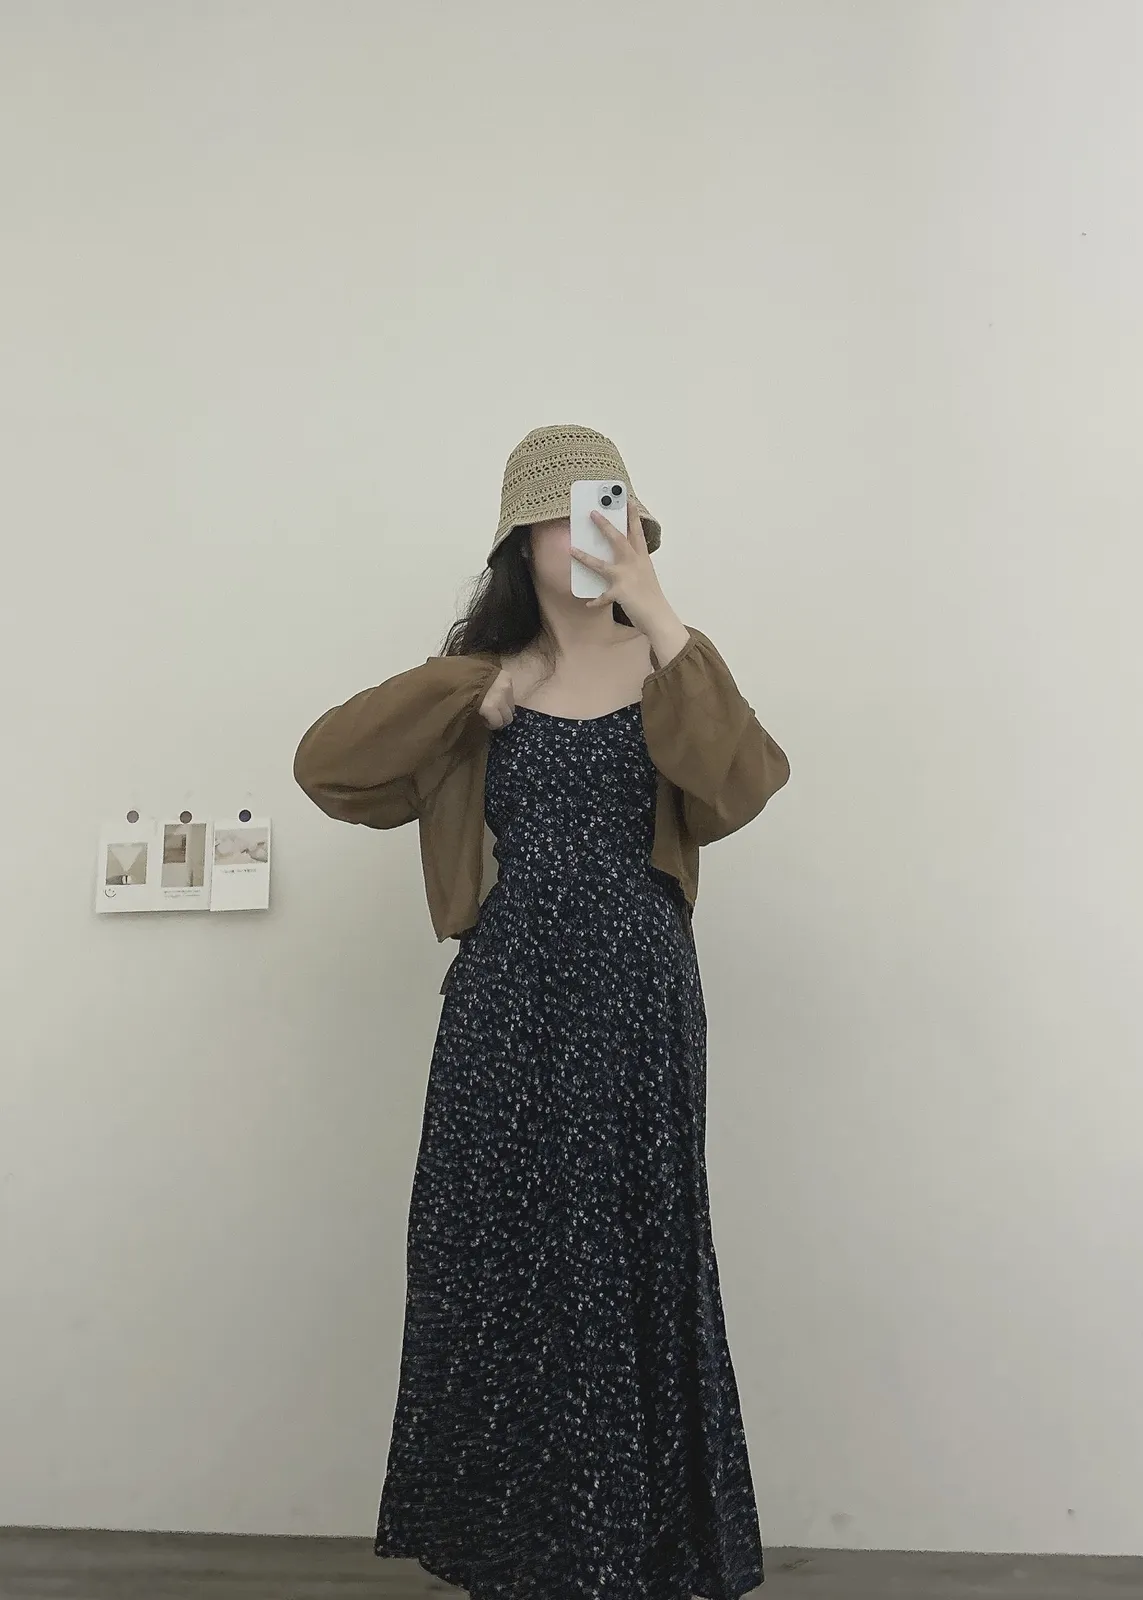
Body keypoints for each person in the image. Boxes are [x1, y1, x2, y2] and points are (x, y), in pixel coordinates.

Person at [293, 424, 789, 1600]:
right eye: (560, 518)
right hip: (507, 998)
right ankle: (515, 1551)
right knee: (496, 1257)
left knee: (632, 1253)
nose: (585, 537)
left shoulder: (672, 667)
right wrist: (475, 693)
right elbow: (330, 768)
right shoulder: (484, 681)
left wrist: (658, 613)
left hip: (639, 1003)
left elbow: (743, 784)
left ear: (637, 527)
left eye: (607, 513)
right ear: (521, 541)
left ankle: (638, 1549)